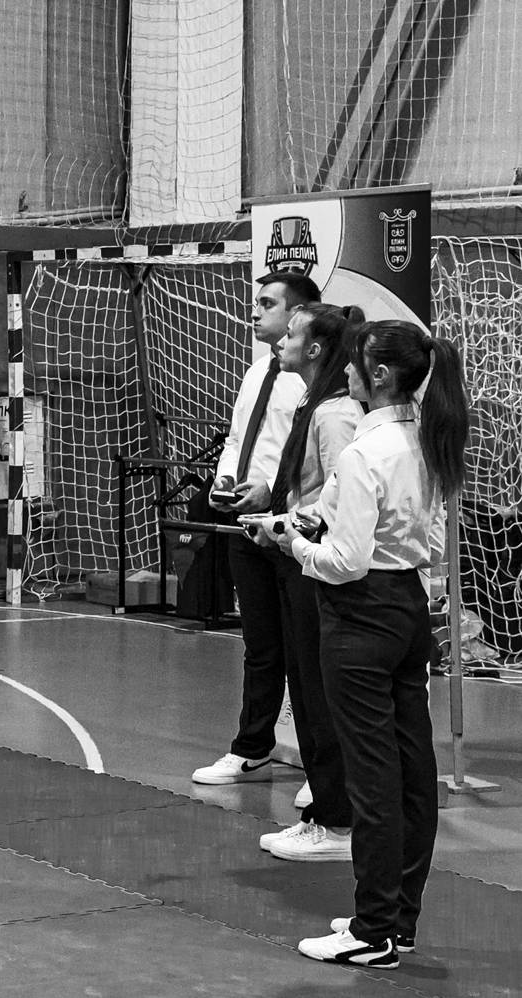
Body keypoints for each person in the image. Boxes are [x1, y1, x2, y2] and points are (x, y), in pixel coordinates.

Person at [274, 319, 470, 968]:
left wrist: (296, 546)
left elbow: (346, 561)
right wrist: (312, 522)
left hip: (361, 615)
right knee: (412, 771)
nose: (348, 374)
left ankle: (373, 929)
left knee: (373, 777)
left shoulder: (365, 451)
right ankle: (398, 920)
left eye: (355, 365)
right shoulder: (426, 438)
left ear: (379, 375)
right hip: (407, 608)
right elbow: (431, 543)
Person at [192, 271, 320, 787]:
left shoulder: (316, 384)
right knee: (261, 645)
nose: (255, 312)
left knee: (305, 652)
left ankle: (322, 770)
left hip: (292, 530)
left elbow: (313, 460)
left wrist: (271, 489)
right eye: (256, 302)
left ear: (298, 315)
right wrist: (226, 479)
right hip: (247, 526)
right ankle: (252, 749)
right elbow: (238, 437)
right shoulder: (255, 372)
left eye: (267, 304)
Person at [247, 304, 365, 862]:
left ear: (315, 348)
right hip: (296, 555)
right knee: (306, 688)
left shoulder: (336, 413)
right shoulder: (310, 402)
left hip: (317, 565)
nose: (281, 341)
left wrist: (286, 524)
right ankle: (324, 807)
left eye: (291, 333)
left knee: (320, 695)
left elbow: (341, 495)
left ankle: (337, 821)